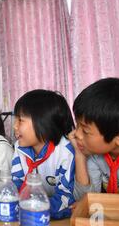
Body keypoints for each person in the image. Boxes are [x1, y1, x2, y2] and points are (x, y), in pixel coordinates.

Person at [10, 89, 76, 219]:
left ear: (43, 122)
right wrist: (6, 201)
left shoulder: (65, 151)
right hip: (31, 215)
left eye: (20, 120)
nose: (14, 126)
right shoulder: (19, 147)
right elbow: (17, 183)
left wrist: (32, 210)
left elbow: (66, 198)